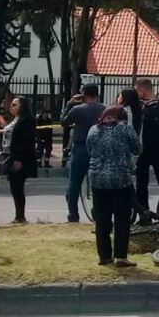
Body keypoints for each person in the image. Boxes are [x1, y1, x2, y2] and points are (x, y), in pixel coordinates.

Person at [86, 105, 141, 266]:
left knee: (101, 219)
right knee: (122, 219)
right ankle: (120, 256)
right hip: (120, 179)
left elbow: (89, 149)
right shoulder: (125, 128)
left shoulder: (93, 129)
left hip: (97, 178)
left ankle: (104, 256)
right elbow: (138, 149)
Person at [61, 84, 105, 222]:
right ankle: (98, 213)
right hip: (98, 149)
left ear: (83, 94)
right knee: (98, 184)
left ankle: (73, 215)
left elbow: (64, 122)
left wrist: (69, 104)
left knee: (74, 184)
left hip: (80, 148)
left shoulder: (77, 110)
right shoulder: (104, 109)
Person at [135, 78, 159, 219]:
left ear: (143, 89)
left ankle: (144, 213)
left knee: (141, 182)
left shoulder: (140, 106)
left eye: (137, 90)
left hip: (143, 149)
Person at [0, 96, 37, 223]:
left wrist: (18, 159)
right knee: (14, 186)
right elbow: (12, 135)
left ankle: (20, 216)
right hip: (10, 155)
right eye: (11, 105)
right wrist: (2, 132)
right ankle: (19, 216)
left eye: (14, 105)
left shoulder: (27, 120)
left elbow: (25, 141)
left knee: (17, 186)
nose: (11, 107)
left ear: (22, 106)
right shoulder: (16, 119)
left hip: (20, 158)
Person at [35, 103, 54, 168]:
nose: (47, 115)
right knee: (39, 151)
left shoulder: (49, 120)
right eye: (46, 114)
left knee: (48, 150)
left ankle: (46, 163)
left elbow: (50, 129)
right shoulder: (39, 120)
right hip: (41, 138)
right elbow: (37, 130)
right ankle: (38, 163)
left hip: (48, 138)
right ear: (43, 114)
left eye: (47, 114)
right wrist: (39, 138)